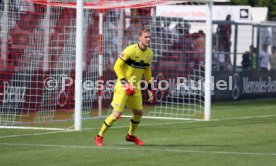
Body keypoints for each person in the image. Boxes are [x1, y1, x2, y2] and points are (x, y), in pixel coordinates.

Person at [95, 26, 155, 147]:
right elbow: (117, 66)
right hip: (123, 85)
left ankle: (130, 135)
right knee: (116, 115)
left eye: (149, 37)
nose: (148, 39)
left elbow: (147, 71)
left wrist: (150, 87)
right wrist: (125, 83)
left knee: (139, 112)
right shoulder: (130, 50)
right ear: (140, 38)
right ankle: (99, 136)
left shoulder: (149, 53)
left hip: (135, 86)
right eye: (146, 37)